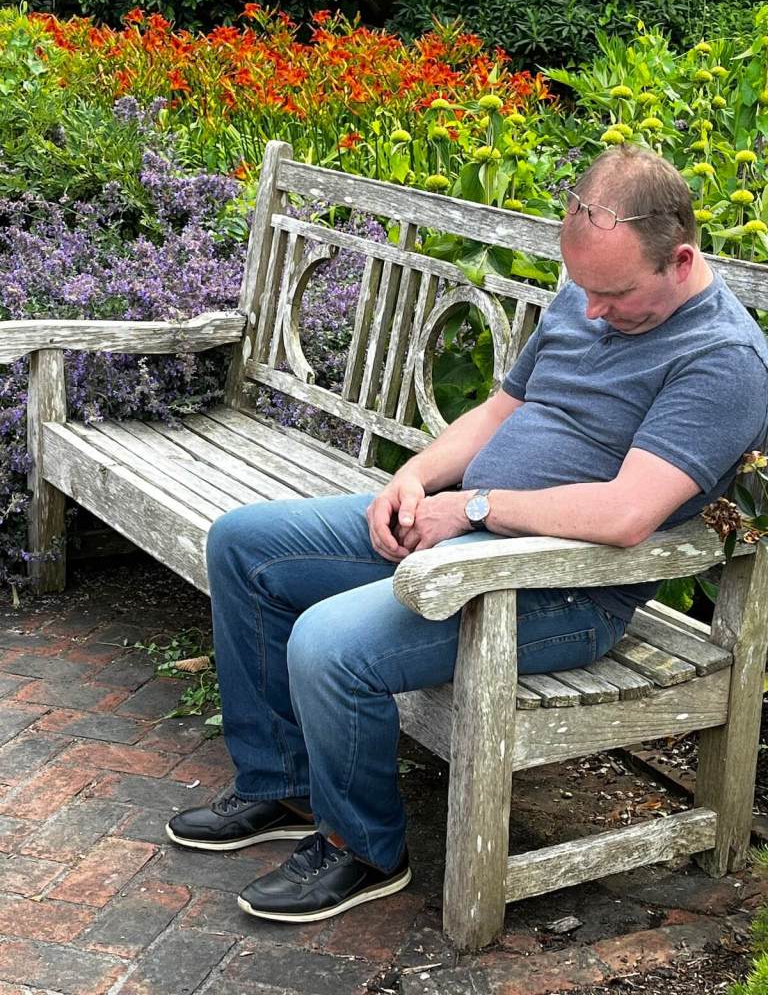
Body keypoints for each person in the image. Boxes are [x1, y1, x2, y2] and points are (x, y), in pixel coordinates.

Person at [166, 145, 768, 924]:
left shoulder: (721, 359)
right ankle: (278, 790)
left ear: (680, 259)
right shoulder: (584, 291)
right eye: (581, 287)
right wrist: (414, 479)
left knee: (328, 643)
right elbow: (500, 412)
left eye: (613, 294)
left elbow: (627, 513)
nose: (590, 312)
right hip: (467, 530)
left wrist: (474, 507)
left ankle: (364, 851)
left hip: (558, 586)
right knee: (245, 546)